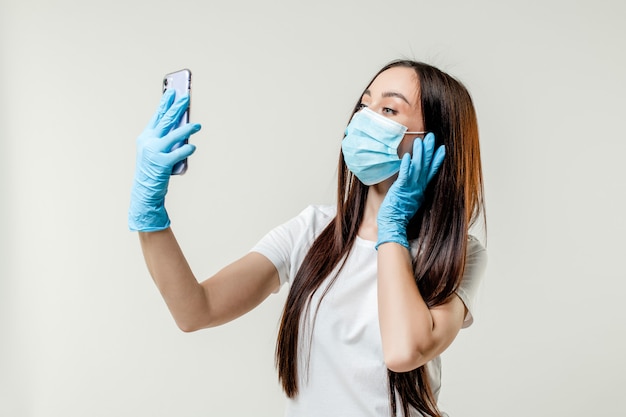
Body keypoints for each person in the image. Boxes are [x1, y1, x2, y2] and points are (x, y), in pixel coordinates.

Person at [128, 59, 487, 417]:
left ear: (434, 143)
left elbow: (404, 351)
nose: (364, 118)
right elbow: (196, 310)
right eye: (364, 105)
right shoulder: (313, 230)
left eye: (389, 109)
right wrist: (149, 212)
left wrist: (392, 225)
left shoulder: (457, 252)